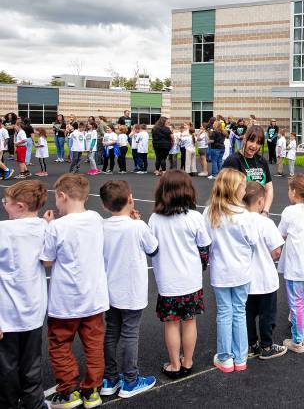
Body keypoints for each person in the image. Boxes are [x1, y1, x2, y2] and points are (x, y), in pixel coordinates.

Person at [40, 174, 109, 408]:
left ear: (62, 196)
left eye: (57, 199)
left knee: (59, 344)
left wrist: (48, 226)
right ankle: (92, 390)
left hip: (65, 300)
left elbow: (47, 260)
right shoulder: (96, 218)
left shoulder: (57, 226)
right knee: (94, 345)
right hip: (94, 297)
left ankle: (69, 390)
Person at [148, 170, 212, 380]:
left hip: (168, 282)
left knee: (171, 323)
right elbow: (204, 248)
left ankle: (175, 364)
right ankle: (188, 361)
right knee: (189, 321)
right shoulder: (194, 217)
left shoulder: (155, 219)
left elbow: (151, 247)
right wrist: (201, 265)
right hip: (191, 280)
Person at [99, 180, 159, 399]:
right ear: (131, 199)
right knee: (130, 333)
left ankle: (110, 377)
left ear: (105, 206)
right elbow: (154, 248)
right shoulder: (138, 227)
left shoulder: (102, 226)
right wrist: (139, 222)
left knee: (112, 331)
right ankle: (131, 380)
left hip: (109, 289)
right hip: (132, 290)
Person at [0, 180, 48, 409]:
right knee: (32, 365)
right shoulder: (45, 228)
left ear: (19, 206)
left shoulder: (3, 230)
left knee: (6, 366)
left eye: (6, 202)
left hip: (6, 314)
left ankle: (9, 403)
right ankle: (34, 403)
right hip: (33, 311)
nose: (3, 204)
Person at [204, 169, 257, 373]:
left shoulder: (210, 212)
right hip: (242, 271)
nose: (246, 189)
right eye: (243, 186)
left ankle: (225, 357)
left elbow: (205, 241)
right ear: (235, 189)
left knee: (225, 312)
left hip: (221, 271)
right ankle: (241, 357)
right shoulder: (245, 215)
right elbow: (252, 240)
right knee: (239, 311)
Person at [241, 182, 287, 360]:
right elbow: (276, 250)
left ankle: (251, 344)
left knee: (247, 314)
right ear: (260, 201)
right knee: (267, 314)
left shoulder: (238, 221)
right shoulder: (265, 222)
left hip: (244, 278)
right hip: (265, 278)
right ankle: (267, 346)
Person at [277, 176, 304, 353]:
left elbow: (280, 234)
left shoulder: (290, 211)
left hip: (296, 267)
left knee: (297, 304)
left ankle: (297, 340)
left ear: (294, 192)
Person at [221, 126, 274, 213]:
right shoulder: (233, 161)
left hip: (259, 215)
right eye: (252, 141)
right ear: (245, 139)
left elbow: (269, 188)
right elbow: (224, 191)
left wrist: (265, 212)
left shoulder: (262, 161)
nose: (254, 146)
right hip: (239, 215)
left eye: (258, 143)